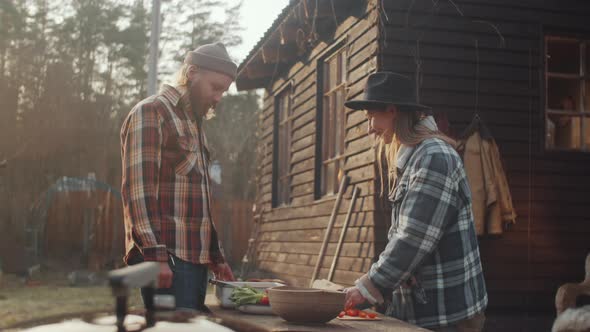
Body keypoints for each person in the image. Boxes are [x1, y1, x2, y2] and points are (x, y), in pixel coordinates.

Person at [343, 72, 488, 331]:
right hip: (426, 311)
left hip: (447, 316)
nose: (369, 128)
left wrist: (368, 287)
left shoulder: (433, 157)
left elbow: (413, 238)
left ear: (392, 111)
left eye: (371, 117)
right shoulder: (415, 157)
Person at [120, 42, 236, 311]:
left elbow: (198, 202)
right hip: (167, 258)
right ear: (192, 72)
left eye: (224, 91)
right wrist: (155, 256)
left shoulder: (194, 124)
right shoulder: (152, 112)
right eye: (215, 87)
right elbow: (138, 191)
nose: (219, 97)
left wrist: (215, 255)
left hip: (194, 259)